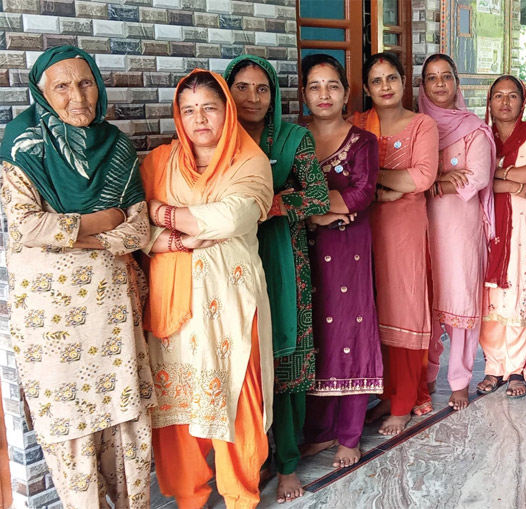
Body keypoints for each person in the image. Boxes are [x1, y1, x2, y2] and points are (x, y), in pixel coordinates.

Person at [0, 46, 155, 507]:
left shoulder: (117, 144)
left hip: (111, 311)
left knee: (124, 415)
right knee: (68, 419)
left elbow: (139, 227)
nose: (77, 96)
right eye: (62, 86)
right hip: (52, 319)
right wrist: (99, 221)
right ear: (43, 94)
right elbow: (26, 225)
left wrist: (72, 233)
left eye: (85, 83)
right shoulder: (22, 144)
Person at [141, 69, 274, 508]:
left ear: (227, 112)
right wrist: (178, 231)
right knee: (177, 400)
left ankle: (240, 496)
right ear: (179, 116)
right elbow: (134, 226)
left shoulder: (248, 160)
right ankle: (189, 497)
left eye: (209, 108)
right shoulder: (157, 163)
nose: (200, 119)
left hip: (231, 301)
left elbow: (234, 216)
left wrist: (163, 213)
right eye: (189, 109)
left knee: (236, 393)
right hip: (172, 300)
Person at [224, 55, 331, 504]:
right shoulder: (216, 138)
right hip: (227, 260)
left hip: (282, 257)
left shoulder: (292, 138)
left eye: (262, 88)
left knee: (284, 357)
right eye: (242, 88)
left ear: (275, 95)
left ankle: (287, 462)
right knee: (241, 358)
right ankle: (250, 456)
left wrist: (276, 205)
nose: (252, 97)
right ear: (227, 92)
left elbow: (320, 195)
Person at [297, 53, 384, 473]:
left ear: (346, 93)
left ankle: (349, 433)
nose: (324, 94)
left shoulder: (363, 141)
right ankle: (320, 430)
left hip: (349, 251)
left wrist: (315, 209)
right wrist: (321, 211)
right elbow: (285, 195)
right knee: (314, 334)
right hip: (306, 251)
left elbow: (364, 193)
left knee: (350, 331)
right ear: (303, 94)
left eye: (332, 85)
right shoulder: (293, 139)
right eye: (315, 86)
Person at [350, 52, 439, 434]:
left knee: (402, 309)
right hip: (360, 227)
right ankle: (385, 392)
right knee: (370, 309)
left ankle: (403, 401)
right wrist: (384, 184)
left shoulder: (422, 125)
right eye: (376, 80)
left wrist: (369, 179)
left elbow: (421, 177)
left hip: (403, 230)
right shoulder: (356, 124)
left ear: (404, 82)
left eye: (391, 78)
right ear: (367, 88)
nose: (384, 86)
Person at [418, 53, 495, 410]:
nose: (439, 84)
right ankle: (428, 373)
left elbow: (476, 176)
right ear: (423, 85)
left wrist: (432, 184)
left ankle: (460, 379)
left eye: (446, 76)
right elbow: (408, 172)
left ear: (456, 83)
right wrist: (437, 180)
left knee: (461, 302)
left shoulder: (473, 128)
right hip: (421, 225)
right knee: (426, 301)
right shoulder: (418, 126)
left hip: (461, 229)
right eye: (431, 78)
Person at [476, 75, 526, 399]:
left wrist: (496, 173)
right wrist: (510, 183)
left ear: (523, 103)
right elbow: (474, 179)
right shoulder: (480, 136)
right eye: (498, 96)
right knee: (489, 297)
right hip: (488, 223)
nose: (504, 103)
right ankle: (494, 367)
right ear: (489, 102)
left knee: (520, 289)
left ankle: (517, 367)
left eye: (512, 97)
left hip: (525, 225)